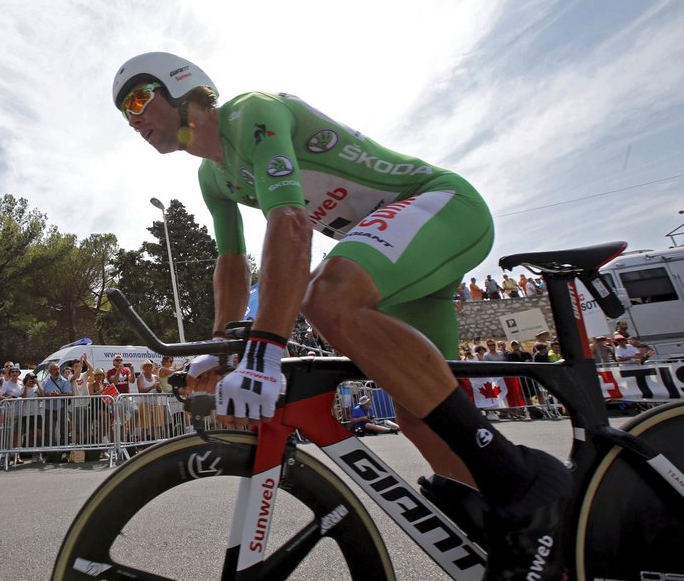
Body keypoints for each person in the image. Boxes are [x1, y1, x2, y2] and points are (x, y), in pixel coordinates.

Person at [112, 51, 571, 578]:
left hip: (440, 204)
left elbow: (290, 223)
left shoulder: (250, 114)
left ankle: (525, 486)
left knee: (326, 297)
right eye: (125, 113)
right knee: (418, 409)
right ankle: (524, 536)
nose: (134, 119)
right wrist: (221, 348)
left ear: (181, 86)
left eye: (138, 99)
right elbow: (232, 264)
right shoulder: (212, 179)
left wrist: (263, 353)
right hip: (392, 248)